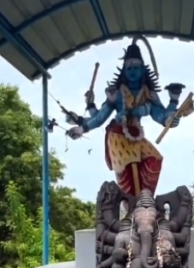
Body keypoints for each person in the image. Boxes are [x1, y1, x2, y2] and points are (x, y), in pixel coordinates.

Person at [67, 40, 186, 196]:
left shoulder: (149, 93)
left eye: (136, 67)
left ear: (143, 70)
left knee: (154, 160)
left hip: (137, 135)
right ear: (123, 71)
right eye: (129, 68)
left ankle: (145, 200)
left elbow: (161, 116)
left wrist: (173, 103)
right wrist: (82, 128)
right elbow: (100, 117)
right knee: (128, 172)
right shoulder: (116, 93)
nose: (132, 71)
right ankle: (130, 206)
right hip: (118, 135)